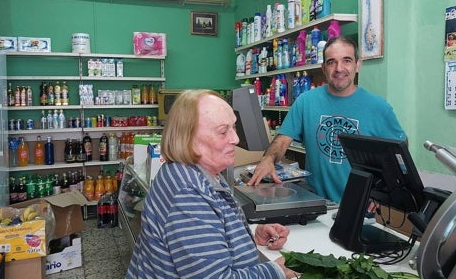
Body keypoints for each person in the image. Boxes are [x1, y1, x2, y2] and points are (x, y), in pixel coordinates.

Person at [126, 89, 298, 279]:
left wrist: (249, 235)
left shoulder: (198, 170)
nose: (235, 139)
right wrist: (275, 271)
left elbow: (208, 233)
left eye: (234, 127)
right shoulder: (187, 194)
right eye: (223, 131)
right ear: (188, 139)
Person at [248, 36, 406, 203]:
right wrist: (268, 159)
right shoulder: (306, 101)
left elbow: (400, 151)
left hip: (359, 208)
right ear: (323, 68)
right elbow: (282, 141)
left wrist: (380, 189)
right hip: (314, 203)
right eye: (331, 62)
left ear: (357, 65)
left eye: (347, 60)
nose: (339, 68)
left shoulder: (378, 107)